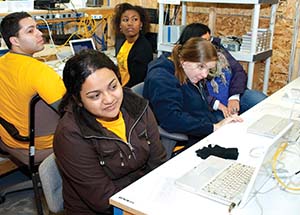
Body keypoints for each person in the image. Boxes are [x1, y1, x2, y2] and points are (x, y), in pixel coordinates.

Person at [53, 50, 167, 214]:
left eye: (113, 87)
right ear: (78, 100)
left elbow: (158, 162)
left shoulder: (137, 106)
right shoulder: (70, 135)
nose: (109, 99)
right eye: (95, 96)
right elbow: (104, 200)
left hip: (142, 197)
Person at [143, 37, 243, 153]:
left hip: (202, 128)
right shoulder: (161, 79)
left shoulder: (186, 71)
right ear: (183, 61)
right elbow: (172, 119)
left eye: (208, 69)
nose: (205, 75)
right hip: (187, 141)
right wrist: (214, 127)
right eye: (201, 67)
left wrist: (217, 125)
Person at [0, 12, 66, 151]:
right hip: (38, 144)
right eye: (30, 31)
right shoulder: (40, 72)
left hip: (8, 135)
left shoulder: (2, 63)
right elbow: (68, 110)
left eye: (37, 28)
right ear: (15, 41)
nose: (40, 33)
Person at [177, 23, 267, 120]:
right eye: (204, 41)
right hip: (213, 107)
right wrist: (218, 105)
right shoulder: (188, 64)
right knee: (227, 125)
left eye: (209, 40)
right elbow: (197, 94)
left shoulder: (218, 49)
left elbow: (238, 71)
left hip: (234, 94)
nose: (209, 45)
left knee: (262, 101)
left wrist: (234, 97)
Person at [113, 2, 153, 87]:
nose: (130, 23)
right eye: (125, 20)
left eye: (135, 19)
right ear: (120, 25)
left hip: (131, 92)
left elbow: (136, 82)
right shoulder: (124, 42)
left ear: (141, 24)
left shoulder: (143, 48)